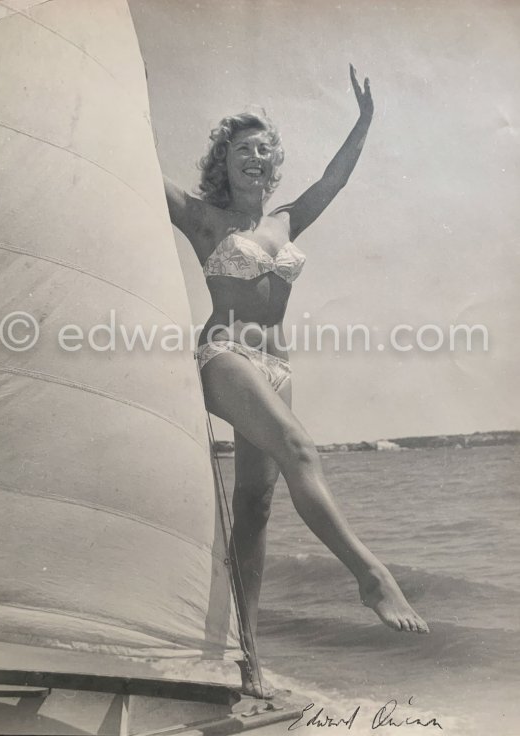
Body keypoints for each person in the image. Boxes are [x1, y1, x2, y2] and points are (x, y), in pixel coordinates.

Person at [164, 65, 429, 698]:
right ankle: (370, 574)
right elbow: (140, 171)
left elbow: (333, 180)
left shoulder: (286, 220)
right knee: (302, 449)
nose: (254, 157)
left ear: (272, 162)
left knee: (255, 507)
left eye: (263, 149)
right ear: (222, 162)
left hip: (279, 367)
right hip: (224, 354)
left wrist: (363, 122)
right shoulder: (203, 217)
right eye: (241, 149)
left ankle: (247, 657)